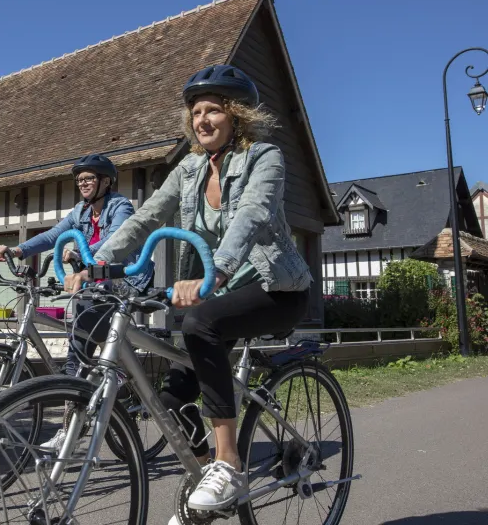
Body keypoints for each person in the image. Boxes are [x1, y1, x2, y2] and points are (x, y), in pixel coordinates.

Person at [64, 65, 311, 518]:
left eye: (213, 110)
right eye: (196, 112)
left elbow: (252, 214)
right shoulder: (190, 168)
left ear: (235, 115)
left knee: (201, 323)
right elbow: (147, 216)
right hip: (220, 290)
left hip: (275, 287)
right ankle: (206, 490)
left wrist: (216, 272)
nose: (202, 120)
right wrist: (98, 260)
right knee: (171, 400)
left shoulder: (264, 157)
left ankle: (229, 464)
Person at [0, 153, 154, 452]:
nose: (83, 184)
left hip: (126, 278)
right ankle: (72, 425)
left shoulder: (120, 206)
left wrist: (81, 251)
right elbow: (55, 235)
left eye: (89, 178)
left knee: (82, 348)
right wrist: (18, 250)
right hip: (93, 281)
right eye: (80, 180)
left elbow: (117, 240)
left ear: (106, 181)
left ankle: (115, 374)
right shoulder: (80, 211)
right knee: (76, 353)